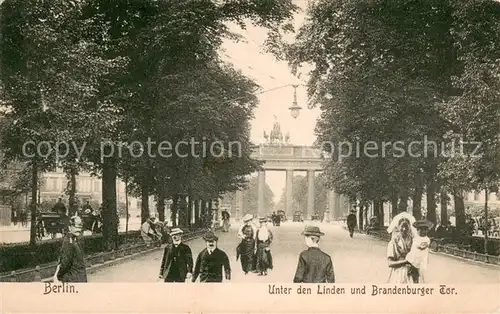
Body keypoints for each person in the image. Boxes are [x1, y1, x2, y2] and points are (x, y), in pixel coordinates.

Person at [54, 216, 87, 282]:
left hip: (75, 279)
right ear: (69, 227)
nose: (79, 230)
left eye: (80, 227)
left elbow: (66, 263)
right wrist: (59, 275)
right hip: (76, 279)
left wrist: (58, 275)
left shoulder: (73, 240)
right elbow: (65, 263)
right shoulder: (70, 241)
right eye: (76, 227)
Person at [386, 215, 415, 284]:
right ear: (398, 227)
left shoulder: (414, 241)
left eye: (406, 226)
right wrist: (406, 261)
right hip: (398, 272)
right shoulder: (393, 242)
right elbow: (390, 263)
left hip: (412, 273)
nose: (404, 229)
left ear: (409, 227)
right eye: (402, 226)